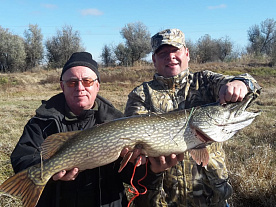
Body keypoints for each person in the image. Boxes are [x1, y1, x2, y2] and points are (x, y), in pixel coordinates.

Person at [124, 29, 261, 207]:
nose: (170, 57)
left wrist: (240, 83)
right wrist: (148, 164)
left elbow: (249, 85)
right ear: (154, 60)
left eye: (176, 51)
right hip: (162, 201)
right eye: (163, 53)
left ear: (187, 54)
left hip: (212, 198)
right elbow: (133, 147)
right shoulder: (141, 95)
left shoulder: (204, 81)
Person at [10, 52, 129, 207]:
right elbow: (22, 158)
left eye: (87, 81)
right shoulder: (41, 122)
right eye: (72, 82)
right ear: (62, 86)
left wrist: (148, 168)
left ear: (97, 85)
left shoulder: (117, 122)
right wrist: (51, 172)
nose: (80, 88)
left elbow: (131, 176)